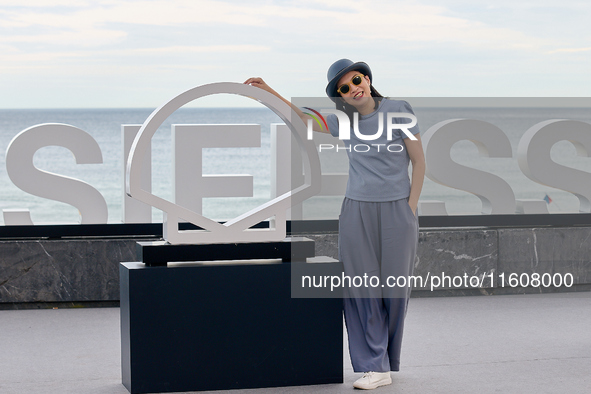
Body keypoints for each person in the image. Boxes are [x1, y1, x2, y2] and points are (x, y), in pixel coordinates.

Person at [245, 58, 425, 390]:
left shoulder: (399, 109)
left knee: (395, 288)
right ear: (340, 97)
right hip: (357, 210)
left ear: (367, 79)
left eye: (356, 80)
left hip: (398, 210)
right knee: (361, 289)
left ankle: (386, 360)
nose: (353, 88)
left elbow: (418, 160)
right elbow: (303, 118)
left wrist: (410, 208)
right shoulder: (344, 121)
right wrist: (268, 91)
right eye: (343, 88)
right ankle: (374, 365)